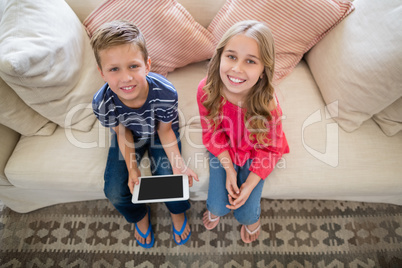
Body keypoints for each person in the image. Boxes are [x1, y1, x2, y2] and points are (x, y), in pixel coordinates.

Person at [91, 20, 198, 248]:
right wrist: (132, 168)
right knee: (114, 189)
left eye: (133, 66)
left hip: (161, 129)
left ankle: (177, 213)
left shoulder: (165, 92)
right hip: (129, 134)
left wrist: (178, 164)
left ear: (147, 65)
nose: (126, 78)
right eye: (114, 69)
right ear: (102, 73)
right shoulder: (102, 103)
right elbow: (121, 133)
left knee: (170, 175)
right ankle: (140, 216)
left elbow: (166, 129)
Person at [197, 20, 289, 243]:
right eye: (231, 56)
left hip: (255, 152)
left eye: (250, 61)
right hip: (223, 149)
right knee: (217, 206)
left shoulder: (269, 107)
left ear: (263, 71)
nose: (237, 68)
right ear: (219, 57)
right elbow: (212, 132)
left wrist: (249, 185)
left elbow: (270, 149)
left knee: (246, 213)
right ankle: (218, 209)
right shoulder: (206, 90)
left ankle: (252, 221)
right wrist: (229, 169)